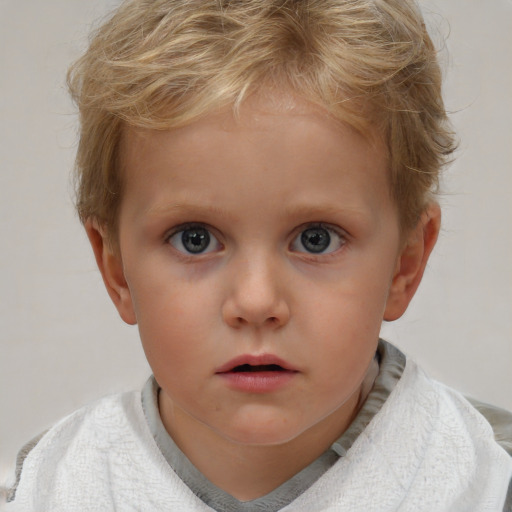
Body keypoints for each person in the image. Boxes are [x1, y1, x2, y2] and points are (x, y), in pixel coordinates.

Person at [5, 0, 512, 510]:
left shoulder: (484, 478)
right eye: (195, 239)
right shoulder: (55, 485)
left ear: (405, 264)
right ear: (116, 271)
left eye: (316, 238)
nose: (255, 300)